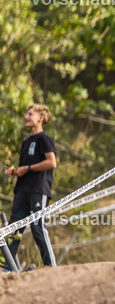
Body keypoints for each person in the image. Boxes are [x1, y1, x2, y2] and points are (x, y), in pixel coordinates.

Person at [3, 104, 58, 269]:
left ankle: (50, 266)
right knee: (14, 228)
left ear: (40, 118)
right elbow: (26, 167)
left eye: (30, 114)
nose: (26, 117)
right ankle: (7, 267)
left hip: (38, 190)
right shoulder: (26, 142)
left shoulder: (44, 139)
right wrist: (17, 171)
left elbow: (51, 162)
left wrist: (27, 169)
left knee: (37, 227)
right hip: (22, 190)